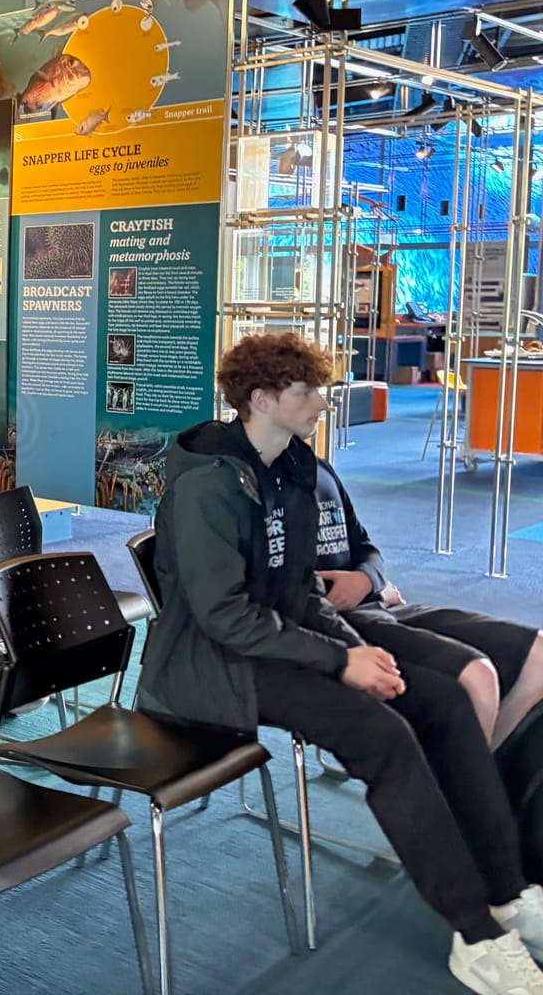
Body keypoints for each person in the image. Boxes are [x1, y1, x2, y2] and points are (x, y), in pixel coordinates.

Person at [139, 331, 543, 994]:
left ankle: (505, 890)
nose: (322, 403)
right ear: (262, 399)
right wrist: (338, 662)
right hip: (212, 667)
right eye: (307, 393)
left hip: (279, 639)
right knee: (380, 733)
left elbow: (300, 588)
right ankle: (477, 934)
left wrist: (356, 649)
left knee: (438, 700)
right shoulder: (209, 484)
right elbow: (223, 618)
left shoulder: (292, 467)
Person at [313, 456, 543, 748]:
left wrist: (369, 580)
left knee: (538, 655)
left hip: (382, 604)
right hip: (343, 624)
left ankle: (486, 769)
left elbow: (367, 548)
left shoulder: (319, 468)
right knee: (476, 680)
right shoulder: (257, 483)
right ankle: (473, 781)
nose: (323, 408)